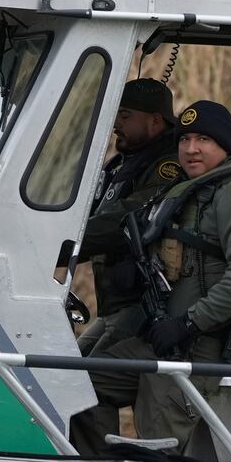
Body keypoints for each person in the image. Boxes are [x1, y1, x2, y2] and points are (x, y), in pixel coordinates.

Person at [69, 101, 231, 457]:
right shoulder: (186, 190)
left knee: (159, 444)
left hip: (200, 345)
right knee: (77, 386)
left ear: (225, 145)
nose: (191, 148)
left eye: (203, 140)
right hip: (160, 338)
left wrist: (189, 322)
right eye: (184, 139)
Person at [76, 78, 183, 354]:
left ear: (155, 120)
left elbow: (126, 219)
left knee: (83, 379)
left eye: (125, 116)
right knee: (70, 365)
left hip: (138, 304)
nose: (116, 124)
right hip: (112, 306)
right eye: (116, 115)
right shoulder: (122, 163)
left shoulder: (168, 166)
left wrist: (66, 245)